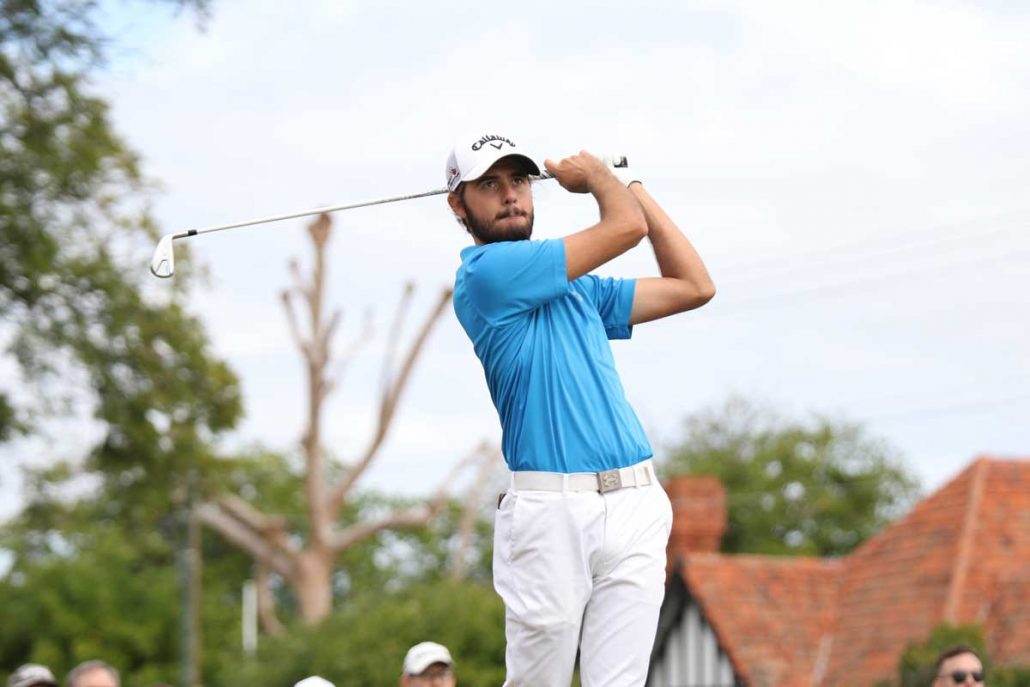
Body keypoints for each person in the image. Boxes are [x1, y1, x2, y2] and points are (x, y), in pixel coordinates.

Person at [446, 134, 715, 687]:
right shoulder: (485, 275)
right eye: (489, 184)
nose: (510, 194)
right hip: (551, 512)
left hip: (636, 500)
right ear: (458, 204)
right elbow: (625, 228)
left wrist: (631, 183)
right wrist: (599, 179)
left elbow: (693, 285)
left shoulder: (579, 291)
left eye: (519, 180)